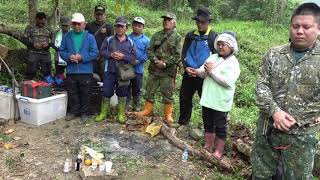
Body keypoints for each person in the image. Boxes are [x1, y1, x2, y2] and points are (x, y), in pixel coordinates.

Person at [251, 3, 320, 179]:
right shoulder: (274, 54)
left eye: (306, 27)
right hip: (268, 131)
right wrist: (275, 112)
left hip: (301, 137)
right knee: (261, 174)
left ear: (318, 29)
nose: (299, 31)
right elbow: (261, 85)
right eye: (295, 26)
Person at [195, 32, 240, 158]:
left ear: (231, 46)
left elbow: (227, 82)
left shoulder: (233, 63)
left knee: (220, 126)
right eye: (219, 44)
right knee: (207, 123)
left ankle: (219, 151)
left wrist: (212, 71)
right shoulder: (213, 57)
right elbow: (202, 73)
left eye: (223, 44)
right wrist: (200, 71)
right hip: (208, 98)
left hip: (220, 101)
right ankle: (208, 145)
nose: (220, 47)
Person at [135, 12, 182, 125]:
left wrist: (165, 63)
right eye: (165, 19)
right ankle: (147, 110)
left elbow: (177, 55)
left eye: (169, 20)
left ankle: (168, 115)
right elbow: (149, 50)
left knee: (168, 93)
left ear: (174, 23)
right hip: (154, 70)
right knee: (150, 91)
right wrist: (156, 61)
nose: (166, 21)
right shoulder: (157, 35)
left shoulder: (177, 37)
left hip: (167, 71)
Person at [179, 7, 218, 126]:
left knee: (205, 101)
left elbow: (216, 57)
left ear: (209, 22)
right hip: (189, 72)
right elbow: (184, 53)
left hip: (203, 75)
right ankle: (183, 122)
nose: (200, 24)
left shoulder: (213, 36)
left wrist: (202, 71)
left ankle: (207, 127)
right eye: (198, 21)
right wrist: (186, 67)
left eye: (203, 22)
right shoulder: (190, 35)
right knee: (184, 98)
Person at [59, 13, 98, 123]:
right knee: (72, 92)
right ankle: (74, 111)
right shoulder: (67, 36)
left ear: (84, 24)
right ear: (71, 24)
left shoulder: (89, 37)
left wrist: (82, 57)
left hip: (86, 70)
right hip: (71, 70)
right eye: (75, 24)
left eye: (79, 24)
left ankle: (84, 113)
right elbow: (61, 50)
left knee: (85, 92)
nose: (77, 26)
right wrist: (68, 56)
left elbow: (95, 52)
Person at [96, 16, 136, 123]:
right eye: (117, 26)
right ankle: (103, 113)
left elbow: (133, 57)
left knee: (122, 93)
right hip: (109, 70)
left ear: (126, 28)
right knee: (106, 92)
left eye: (122, 26)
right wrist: (111, 54)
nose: (119, 28)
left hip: (123, 73)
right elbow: (102, 52)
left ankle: (120, 113)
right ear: (115, 27)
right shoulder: (108, 39)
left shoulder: (130, 42)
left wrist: (123, 57)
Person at [23, 12, 54, 83]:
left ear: (45, 20)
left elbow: (54, 40)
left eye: (42, 23)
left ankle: (49, 87)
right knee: (30, 72)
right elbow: (24, 39)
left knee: (47, 73)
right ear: (36, 20)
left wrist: (48, 44)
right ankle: (27, 87)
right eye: (39, 23)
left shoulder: (49, 28)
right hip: (33, 53)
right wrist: (33, 44)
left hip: (45, 53)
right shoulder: (30, 27)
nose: (41, 24)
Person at [127, 17, 150, 111]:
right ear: (132, 26)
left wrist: (139, 61)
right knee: (126, 87)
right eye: (135, 25)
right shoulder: (127, 37)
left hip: (138, 69)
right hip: (126, 68)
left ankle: (136, 106)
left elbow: (148, 53)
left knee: (137, 89)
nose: (137, 27)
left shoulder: (146, 40)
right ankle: (126, 107)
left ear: (143, 27)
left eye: (139, 26)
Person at [85, 4, 114, 80]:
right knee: (91, 77)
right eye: (98, 14)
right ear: (94, 14)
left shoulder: (109, 27)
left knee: (105, 77)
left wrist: (103, 54)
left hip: (104, 57)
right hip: (92, 56)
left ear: (104, 15)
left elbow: (111, 43)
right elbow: (86, 41)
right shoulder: (89, 26)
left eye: (101, 14)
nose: (99, 16)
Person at [54, 17, 70, 86]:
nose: (65, 27)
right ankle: (60, 86)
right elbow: (52, 43)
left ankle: (68, 85)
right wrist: (60, 49)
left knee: (70, 73)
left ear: (69, 26)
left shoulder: (72, 33)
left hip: (69, 57)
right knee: (59, 74)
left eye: (66, 26)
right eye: (63, 25)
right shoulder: (56, 33)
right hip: (58, 56)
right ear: (61, 25)